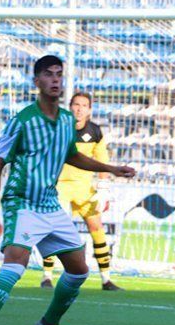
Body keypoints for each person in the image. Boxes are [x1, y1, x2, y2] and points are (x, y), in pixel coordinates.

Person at [0, 55, 135, 325]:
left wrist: (111, 168)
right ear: (36, 82)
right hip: (22, 203)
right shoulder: (23, 121)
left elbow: (72, 155)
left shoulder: (67, 120)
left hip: (49, 205)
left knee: (79, 270)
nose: (55, 79)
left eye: (59, 74)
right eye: (48, 75)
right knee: (13, 269)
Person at [41, 92, 121, 291]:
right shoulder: (59, 127)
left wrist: (103, 189)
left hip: (84, 188)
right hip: (59, 186)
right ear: (70, 107)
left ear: (90, 110)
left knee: (97, 228)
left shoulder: (95, 132)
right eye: (76, 104)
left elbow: (102, 161)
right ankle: (47, 277)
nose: (79, 108)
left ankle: (106, 279)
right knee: (52, 228)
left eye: (84, 105)